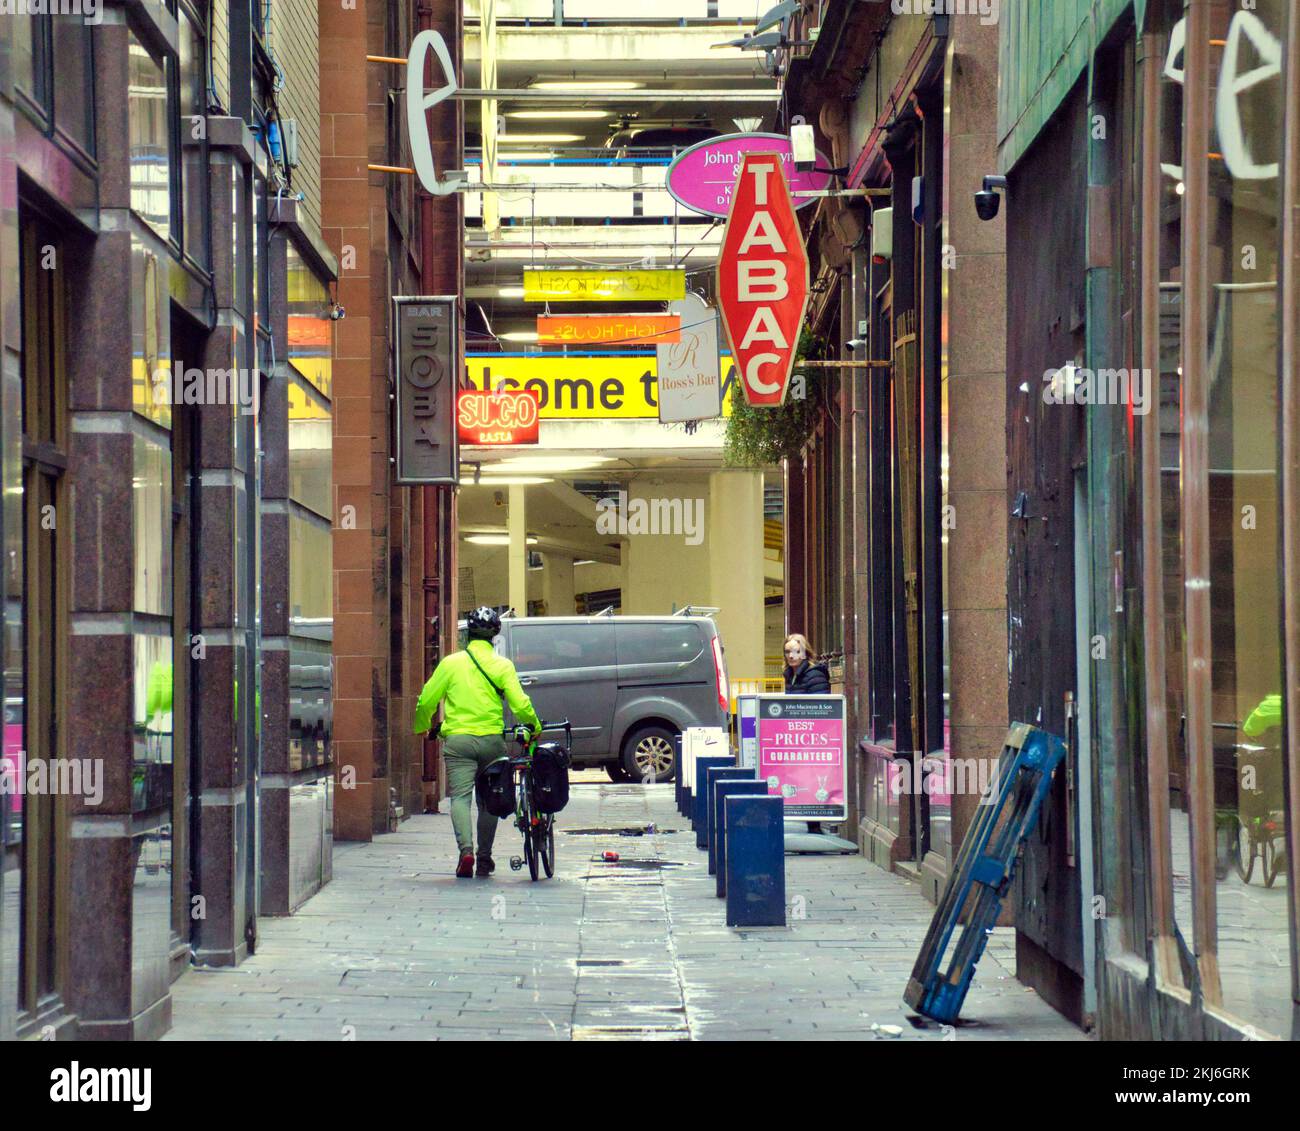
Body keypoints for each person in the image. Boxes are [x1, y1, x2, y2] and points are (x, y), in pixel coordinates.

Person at [413, 607, 541, 878]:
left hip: (458, 742)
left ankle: (466, 852)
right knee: (489, 800)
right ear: (494, 636)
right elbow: (520, 704)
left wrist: (424, 727)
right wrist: (534, 726)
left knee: (460, 798)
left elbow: (426, 700)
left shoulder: (451, 663)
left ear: (468, 635)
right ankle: (484, 858)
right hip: (492, 743)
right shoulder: (503, 666)